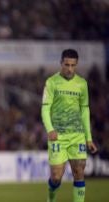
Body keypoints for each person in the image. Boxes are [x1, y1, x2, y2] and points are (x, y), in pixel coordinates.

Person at [41, 49, 98, 202]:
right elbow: (45, 108)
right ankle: (50, 198)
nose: (70, 68)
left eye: (73, 65)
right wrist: (50, 129)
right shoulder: (51, 82)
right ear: (61, 63)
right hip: (58, 136)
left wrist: (88, 138)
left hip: (77, 135)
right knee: (56, 177)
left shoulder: (82, 84)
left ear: (77, 65)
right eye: (67, 64)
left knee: (79, 171)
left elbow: (85, 110)